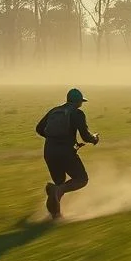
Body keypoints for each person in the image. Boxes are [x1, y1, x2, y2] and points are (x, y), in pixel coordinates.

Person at [35, 88, 99, 220]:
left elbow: (39, 128)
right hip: (65, 152)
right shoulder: (77, 113)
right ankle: (57, 192)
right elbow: (86, 136)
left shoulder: (54, 111)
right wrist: (95, 138)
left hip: (49, 151)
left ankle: (55, 216)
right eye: (81, 101)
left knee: (59, 182)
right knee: (82, 179)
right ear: (78, 102)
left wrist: (53, 139)